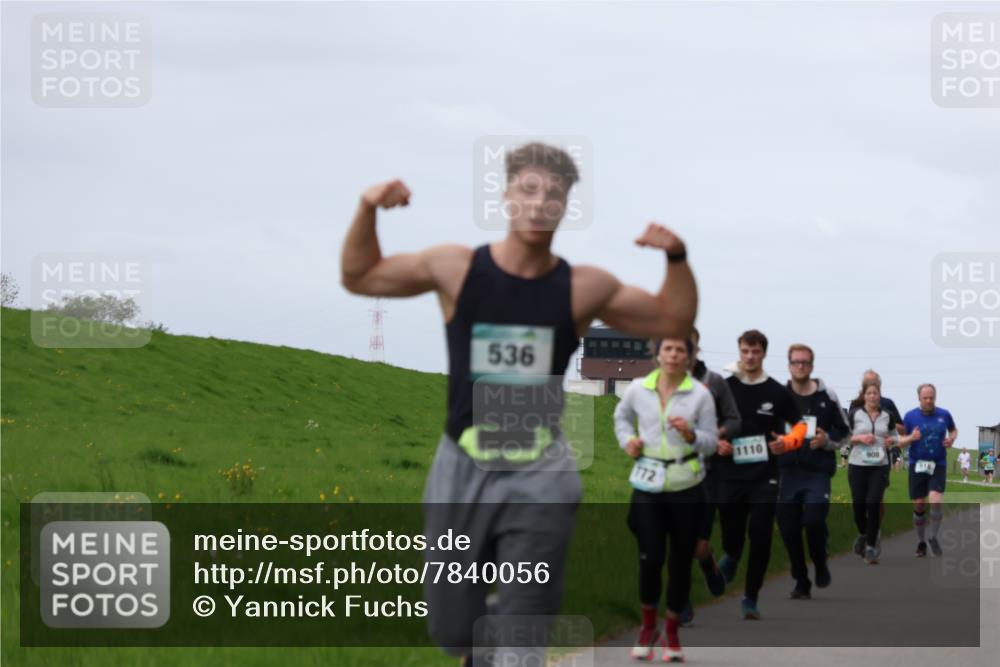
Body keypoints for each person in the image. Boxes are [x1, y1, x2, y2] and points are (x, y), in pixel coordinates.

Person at [340, 143, 698, 667]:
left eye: (554, 193)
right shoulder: (456, 268)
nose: (540, 202)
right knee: (451, 631)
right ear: (507, 194)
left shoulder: (582, 287)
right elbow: (360, 274)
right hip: (462, 464)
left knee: (520, 640)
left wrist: (677, 257)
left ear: (566, 204)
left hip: (540, 471)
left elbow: (672, 321)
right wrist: (367, 207)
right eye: (529, 189)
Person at [614, 337, 718, 662]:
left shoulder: (700, 395)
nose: (673, 355)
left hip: (686, 484)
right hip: (648, 483)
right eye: (668, 349)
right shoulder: (637, 389)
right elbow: (620, 418)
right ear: (657, 354)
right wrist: (628, 440)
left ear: (689, 357)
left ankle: (671, 629)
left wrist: (691, 435)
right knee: (650, 557)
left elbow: (712, 443)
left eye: (680, 350)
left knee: (679, 563)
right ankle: (648, 626)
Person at [716, 329, 806, 620]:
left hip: (764, 474)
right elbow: (706, 421)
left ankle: (750, 597)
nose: (750, 357)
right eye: (745, 351)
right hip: (730, 472)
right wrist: (718, 442)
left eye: (755, 352)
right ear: (739, 352)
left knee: (762, 533)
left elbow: (801, 425)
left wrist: (788, 442)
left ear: (764, 353)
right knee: (732, 529)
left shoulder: (777, 391)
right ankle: (731, 553)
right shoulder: (724, 387)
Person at [678, 326, 741, 626]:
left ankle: (708, 562)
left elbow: (733, 418)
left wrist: (716, 433)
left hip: (707, 471)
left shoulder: (713, 381)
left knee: (698, 545)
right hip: (671, 471)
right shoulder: (660, 382)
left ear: (696, 347)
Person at [776, 344, 849, 598]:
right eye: (796, 362)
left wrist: (826, 440)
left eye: (805, 362)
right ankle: (801, 579)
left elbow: (845, 431)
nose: (800, 366)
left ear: (812, 365)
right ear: (789, 365)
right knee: (788, 528)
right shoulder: (779, 396)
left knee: (814, 521)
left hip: (816, 471)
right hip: (786, 471)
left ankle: (819, 561)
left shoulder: (827, 396)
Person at [846, 380, 919, 564]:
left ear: (880, 395)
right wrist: (860, 438)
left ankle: (871, 546)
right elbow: (845, 437)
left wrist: (892, 441)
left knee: (873, 503)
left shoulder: (888, 415)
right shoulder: (854, 413)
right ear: (864, 395)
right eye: (869, 393)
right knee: (858, 507)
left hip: (879, 465)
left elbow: (895, 437)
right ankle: (863, 534)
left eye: (875, 393)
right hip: (857, 464)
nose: (872, 396)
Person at [901, 384, 958, 558]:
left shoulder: (944, 414)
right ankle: (921, 542)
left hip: (938, 464)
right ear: (919, 398)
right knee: (919, 503)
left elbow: (953, 430)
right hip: (917, 464)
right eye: (925, 398)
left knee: (935, 499)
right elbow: (901, 440)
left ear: (935, 397)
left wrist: (951, 439)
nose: (928, 401)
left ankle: (933, 537)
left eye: (931, 397)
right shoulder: (910, 416)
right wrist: (911, 437)